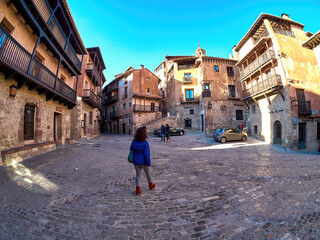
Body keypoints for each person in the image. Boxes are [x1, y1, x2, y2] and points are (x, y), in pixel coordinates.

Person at [130, 126, 156, 195]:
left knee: (137, 175)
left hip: (135, 161)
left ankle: (137, 189)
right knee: (148, 173)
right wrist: (148, 163)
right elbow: (146, 154)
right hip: (143, 161)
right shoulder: (145, 143)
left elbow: (131, 149)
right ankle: (150, 185)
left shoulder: (134, 141)